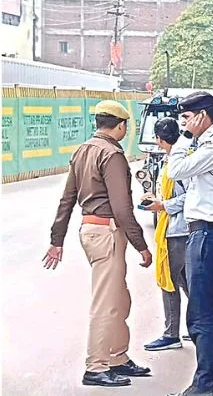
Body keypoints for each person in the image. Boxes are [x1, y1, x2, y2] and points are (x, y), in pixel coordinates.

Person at [45, 100, 153, 388]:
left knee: (118, 298)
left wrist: (57, 239)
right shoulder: (112, 154)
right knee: (106, 302)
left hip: (91, 230)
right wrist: (141, 244)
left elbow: (67, 199)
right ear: (121, 126)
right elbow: (122, 207)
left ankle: (117, 357)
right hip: (107, 232)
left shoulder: (83, 151)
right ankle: (96, 366)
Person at [166, 91, 213, 396]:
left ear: (202, 116)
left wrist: (184, 137)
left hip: (209, 234)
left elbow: (174, 171)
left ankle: (207, 382)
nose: (183, 123)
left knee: (203, 312)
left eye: (187, 117)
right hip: (212, 232)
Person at [143, 118, 190, 351]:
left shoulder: (179, 162)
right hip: (175, 228)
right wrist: (158, 200)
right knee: (185, 281)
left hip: (178, 230)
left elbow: (190, 196)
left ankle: (171, 334)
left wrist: (163, 205)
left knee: (169, 280)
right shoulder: (173, 159)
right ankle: (201, 326)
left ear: (159, 139)